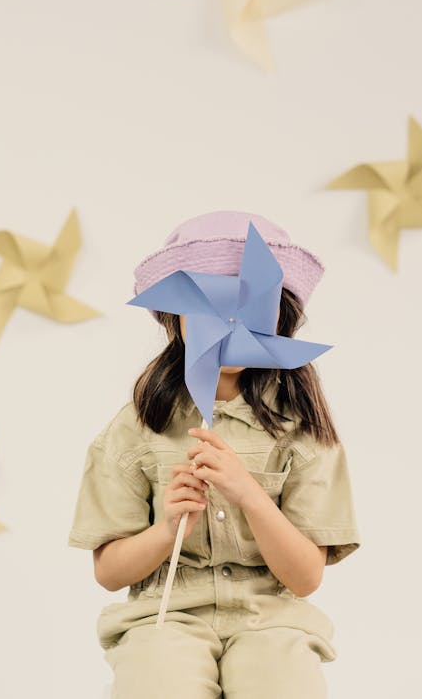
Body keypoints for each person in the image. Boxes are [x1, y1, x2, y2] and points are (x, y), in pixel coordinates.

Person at [68, 210, 360, 698]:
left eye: (246, 307)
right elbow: (108, 572)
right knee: (157, 681)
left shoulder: (302, 430)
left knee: (282, 684)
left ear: (277, 317)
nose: (228, 322)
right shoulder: (138, 425)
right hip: (164, 615)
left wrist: (249, 494)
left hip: (271, 620)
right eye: (203, 305)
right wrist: (167, 528)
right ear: (173, 316)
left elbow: (307, 577)